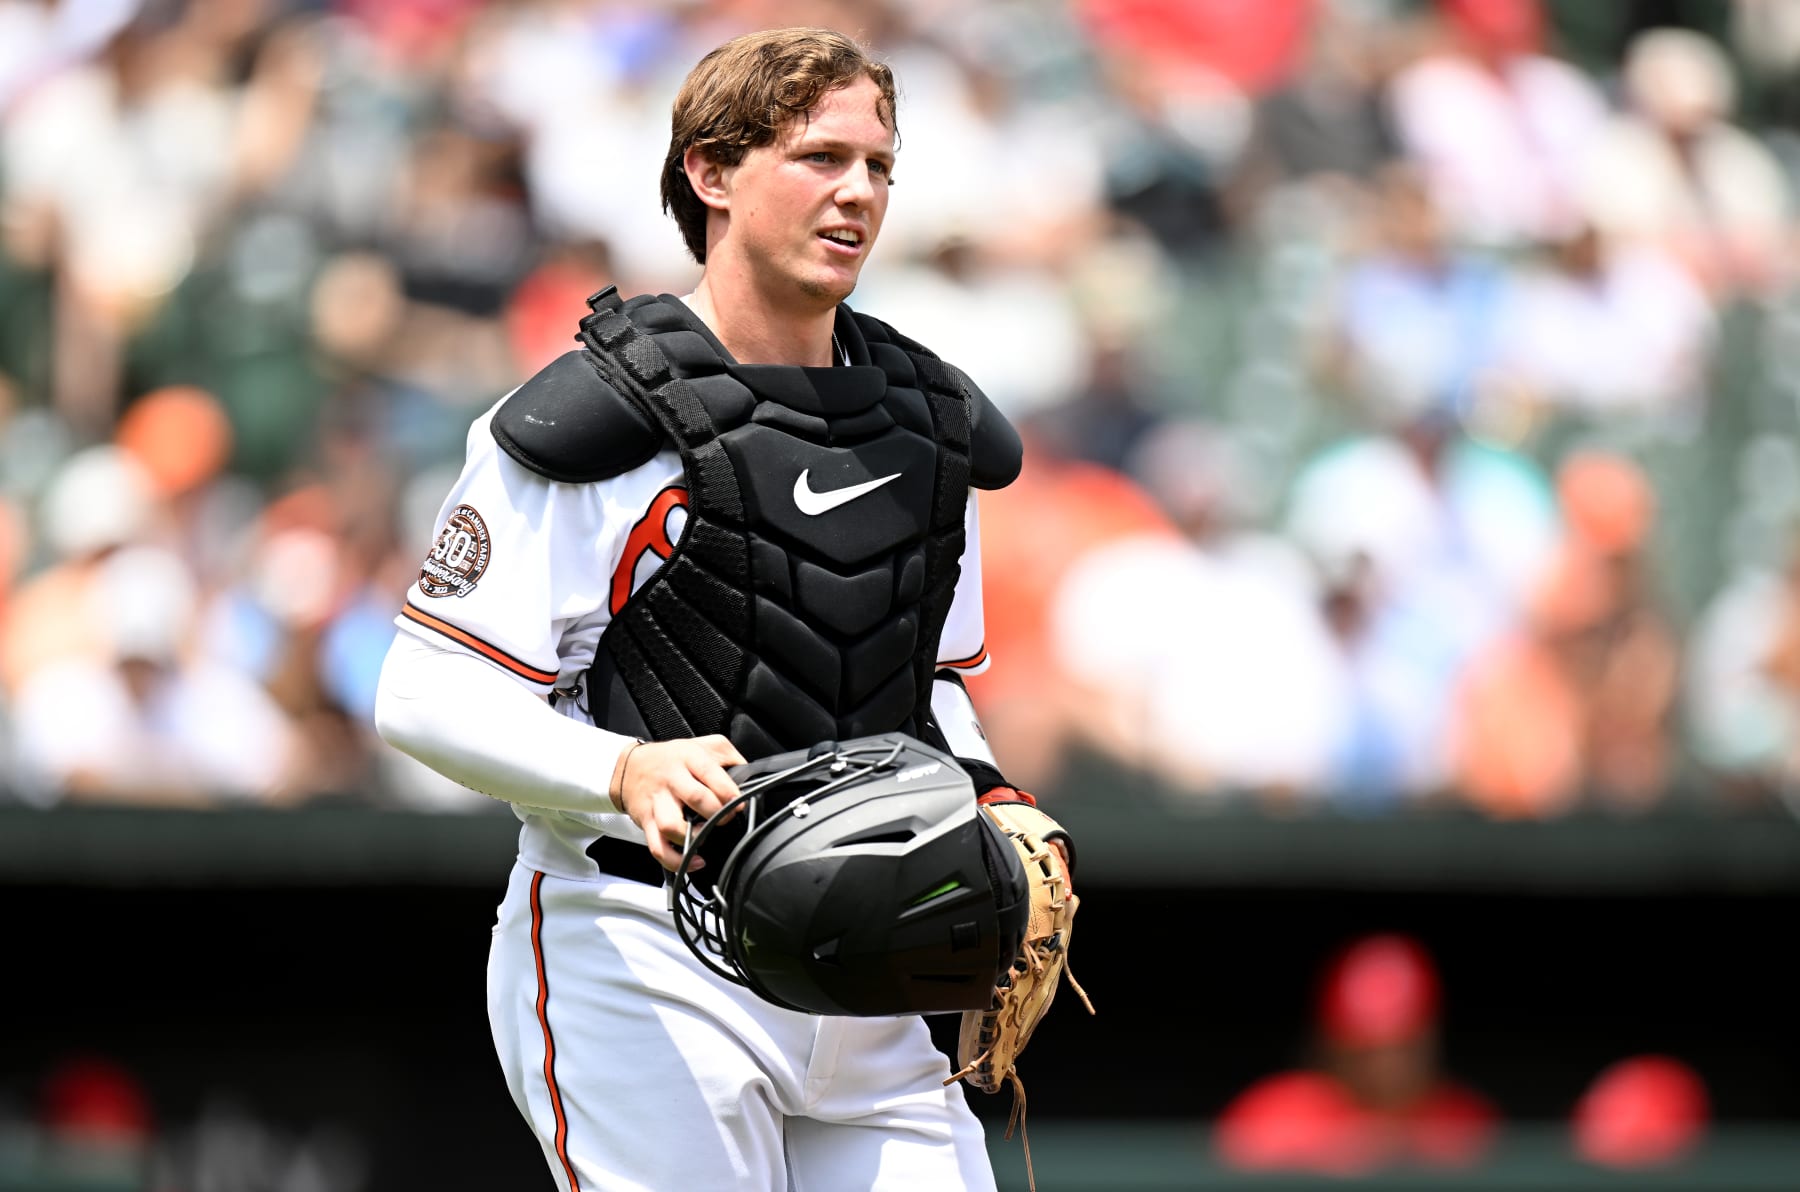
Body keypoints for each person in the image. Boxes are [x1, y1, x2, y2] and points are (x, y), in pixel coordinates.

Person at [373, 26, 1063, 1192]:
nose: (858, 191)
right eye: (820, 157)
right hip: (643, 945)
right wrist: (618, 768)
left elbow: (932, 682)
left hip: (871, 968)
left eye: (879, 165)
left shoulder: (929, 420)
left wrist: (989, 793)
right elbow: (422, 691)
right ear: (711, 172)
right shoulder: (598, 415)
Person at [1214, 932, 1500, 1176]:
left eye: (1402, 1047)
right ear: (1332, 1043)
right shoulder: (1276, 1116)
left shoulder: (1462, 1120)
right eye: (1366, 1050)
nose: (1386, 1066)